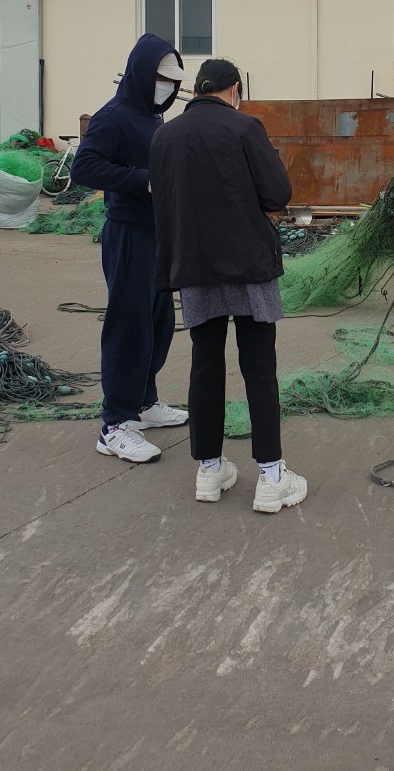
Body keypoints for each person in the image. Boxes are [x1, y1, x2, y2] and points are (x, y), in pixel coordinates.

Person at [149, 57, 308, 514]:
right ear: (234, 88)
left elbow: (163, 203)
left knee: (205, 364)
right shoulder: (244, 127)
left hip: (193, 266)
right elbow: (277, 193)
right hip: (248, 265)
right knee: (258, 367)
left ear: (198, 89)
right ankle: (271, 477)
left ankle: (209, 468)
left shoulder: (164, 136)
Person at [70, 34, 189, 463]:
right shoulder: (114, 116)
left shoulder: (152, 117)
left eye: (173, 81)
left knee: (157, 323)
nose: (167, 87)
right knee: (128, 325)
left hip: (156, 233)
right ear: (141, 73)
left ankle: (143, 401)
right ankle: (115, 424)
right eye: (161, 78)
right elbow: (84, 166)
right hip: (128, 234)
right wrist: (141, 180)